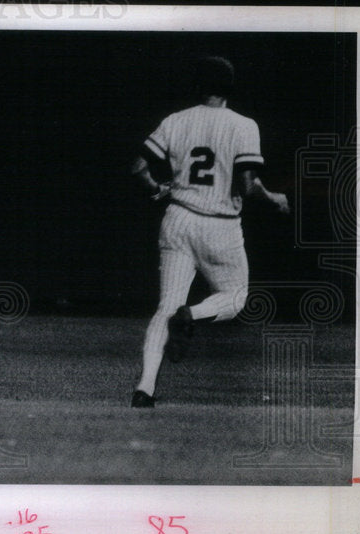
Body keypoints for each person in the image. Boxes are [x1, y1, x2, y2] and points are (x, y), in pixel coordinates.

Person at [130, 56, 290, 408]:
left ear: (198, 85)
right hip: (220, 226)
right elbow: (247, 185)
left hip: (178, 218)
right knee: (236, 298)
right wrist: (273, 197)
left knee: (164, 306)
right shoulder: (243, 124)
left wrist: (156, 186)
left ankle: (144, 388)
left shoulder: (176, 120)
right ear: (230, 88)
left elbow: (139, 166)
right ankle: (193, 315)